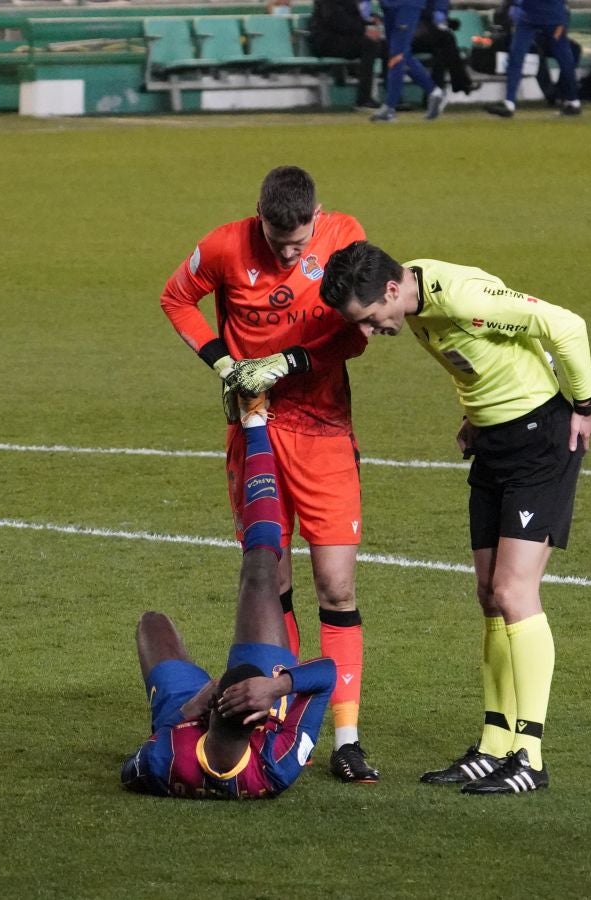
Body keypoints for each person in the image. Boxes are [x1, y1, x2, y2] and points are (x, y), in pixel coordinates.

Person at [320, 242, 591, 796]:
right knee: (488, 594)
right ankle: (495, 743)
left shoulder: (462, 296)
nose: (372, 331)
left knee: (515, 592)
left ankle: (529, 754)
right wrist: (475, 417)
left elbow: (565, 325)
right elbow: (478, 359)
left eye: (372, 318)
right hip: (495, 442)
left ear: (392, 291)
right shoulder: (415, 302)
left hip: (539, 441)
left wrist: (585, 406)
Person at [158, 166, 380, 783]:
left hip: (325, 430)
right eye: (277, 241)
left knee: (335, 586)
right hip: (254, 431)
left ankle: (346, 737)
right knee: (269, 577)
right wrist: (225, 365)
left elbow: (358, 331)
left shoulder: (344, 236)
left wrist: (289, 360)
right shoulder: (225, 246)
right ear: (258, 213)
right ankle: (278, 713)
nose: (288, 253)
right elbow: (175, 297)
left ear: (318, 215)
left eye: (298, 243)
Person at [121, 396, 338, 799]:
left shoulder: (166, 754)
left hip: (180, 711)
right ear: (261, 721)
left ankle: (254, 422)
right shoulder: (275, 766)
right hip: (233, 695)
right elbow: (326, 676)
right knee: (260, 570)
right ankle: (256, 425)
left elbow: (129, 770)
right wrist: (276, 687)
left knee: (153, 621)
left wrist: (190, 711)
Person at [484, 0, 582, 118]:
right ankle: (573, 101)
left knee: (516, 57)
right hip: (551, 17)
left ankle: (509, 103)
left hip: (533, 17)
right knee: (564, 58)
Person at [372, 0, 449, 121]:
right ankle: (435, 92)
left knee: (397, 55)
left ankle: (390, 106)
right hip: (388, 5)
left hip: (408, 5)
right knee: (401, 55)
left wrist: (440, 9)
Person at [309, 0, 385, 109]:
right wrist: (364, 29)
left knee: (385, 46)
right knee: (370, 45)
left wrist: (371, 21)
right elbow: (335, 21)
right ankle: (364, 99)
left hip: (344, 40)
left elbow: (352, 19)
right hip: (326, 42)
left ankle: (393, 98)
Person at [413, 0, 479, 97]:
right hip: (413, 33)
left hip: (423, 33)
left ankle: (436, 92)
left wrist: (444, 22)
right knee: (447, 40)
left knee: (442, 49)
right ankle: (460, 83)